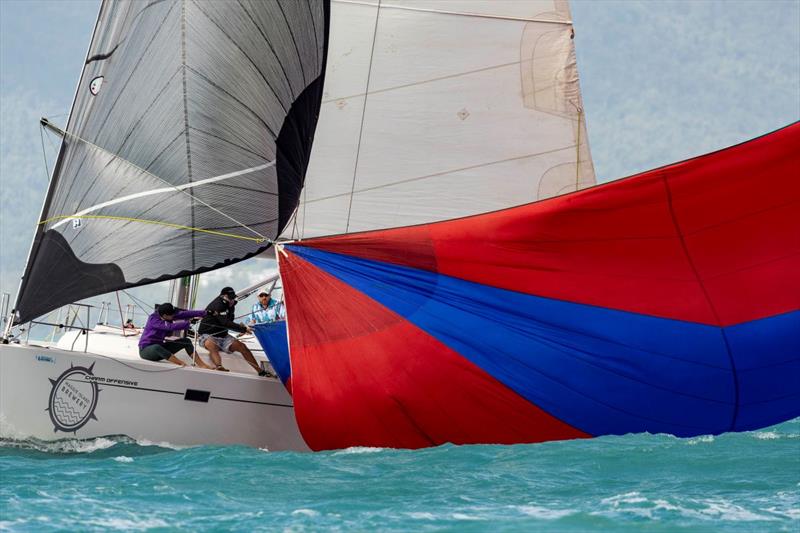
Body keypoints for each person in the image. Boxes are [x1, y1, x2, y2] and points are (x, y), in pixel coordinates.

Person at [198, 287, 267, 376]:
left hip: (223, 335)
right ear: (223, 296)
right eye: (230, 298)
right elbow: (225, 323)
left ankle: (261, 371)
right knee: (212, 345)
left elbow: (229, 321)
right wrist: (243, 329)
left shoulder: (231, 305)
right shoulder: (218, 305)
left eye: (233, 297)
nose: (232, 300)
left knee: (242, 346)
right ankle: (219, 367)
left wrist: (241, 327)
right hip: (208, 334)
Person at [138, 303, 211, 368]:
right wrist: (189, 323)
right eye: (172, 315)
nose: (174, 316)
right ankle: (182, 364)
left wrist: (205, 313)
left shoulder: (167, 314)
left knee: (186, 341)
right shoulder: (153, 320)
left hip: (161, 349)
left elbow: (185, 314)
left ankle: (202, 365)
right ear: (165, 315)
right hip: (145, 351)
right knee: (156, 347)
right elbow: (170, 326)